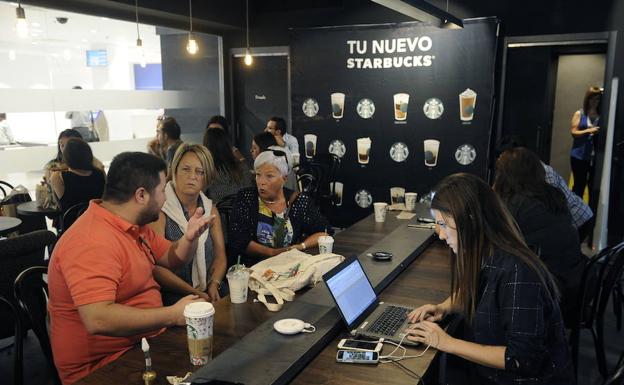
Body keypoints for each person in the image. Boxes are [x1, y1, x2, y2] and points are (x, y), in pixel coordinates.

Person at [48, 152, 214, 385]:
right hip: (103, 367)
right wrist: (173, 315)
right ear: (141, 195)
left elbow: (171, 257)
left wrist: (189, 238)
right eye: (162, 190)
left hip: (144, 345)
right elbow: (98, 319)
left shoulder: (133, 224)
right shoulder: (91, 240)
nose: (166, 198)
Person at [406, 173, 575, 385]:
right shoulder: (484, 253)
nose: (440, 234)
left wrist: (446, 342)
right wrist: (444, 308)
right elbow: (479, 290)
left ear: (470, 220)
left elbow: (522, 359)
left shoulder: (517, 272)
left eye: (443, 224)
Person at [493, 148, 585, 326]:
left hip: (548, 297)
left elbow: (494, 248)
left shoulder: (515, 205)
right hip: (573, 286)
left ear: (505, 175)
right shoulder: (553, 196)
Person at [149, 144, 227, 304]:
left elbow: (220, 256)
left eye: (200, 172)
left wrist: (214, 284)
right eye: (186, 169)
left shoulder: (210, 209)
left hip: (208, 289)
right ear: (174, 170)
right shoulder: (160, 209)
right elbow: (155, 268)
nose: (192, 176)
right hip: (173, 294)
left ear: (208, 178)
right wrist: (193, 292)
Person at [228, 148, 330, 266]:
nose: (261, 182)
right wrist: (273, 253)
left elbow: (324, 232)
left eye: (269, 176)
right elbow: (238, 240)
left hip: (288, 266)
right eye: (258, 175)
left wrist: (301, 246)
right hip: (252, 267)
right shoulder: (246, 198)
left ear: (284, 179)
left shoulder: (298, 201)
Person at [496, 135, 593, 242]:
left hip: (579, 217)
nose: (501, 161)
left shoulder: (543, 172)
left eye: (504, 157)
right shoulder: (518, 173)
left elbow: (552, 202)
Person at [48, 138, 106, 224]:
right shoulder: (100, 174)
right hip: (98, 224)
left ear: (66, 157)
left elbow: (59, 205)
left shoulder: (58, 177)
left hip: (72, 227)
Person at [570, 86, 602, 200]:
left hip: (595, 159)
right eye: (592, 99)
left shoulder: (603, 116)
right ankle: (576, 215)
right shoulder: (580, 113)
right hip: (579, 156)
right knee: (579, 187)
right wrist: (589, 130)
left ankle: (590, 216)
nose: (594, 102)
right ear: (587, 99)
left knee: (594, 188)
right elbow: (573, 132)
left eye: (597, 99)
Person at [202, 128, 251, 204]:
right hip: (245, 212)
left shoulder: (207, 171)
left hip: (218, 214)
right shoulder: (242, 166)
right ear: (228, 145)